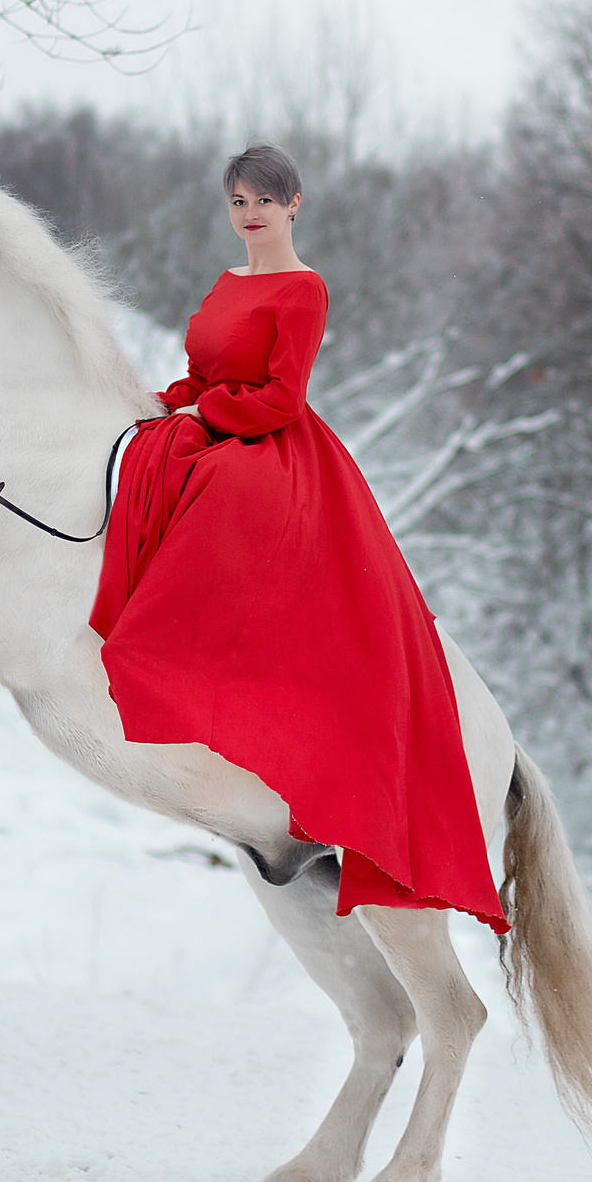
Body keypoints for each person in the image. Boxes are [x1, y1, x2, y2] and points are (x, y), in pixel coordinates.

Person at [89, 145, 505, 932]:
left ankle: (185, 657)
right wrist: (162, 402)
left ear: (295, 206)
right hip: (216, 422)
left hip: (269, 447)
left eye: (265, 202)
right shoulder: (227, 284)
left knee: (217, 485)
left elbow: (279, 398)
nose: (250, 214)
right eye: (238, 201)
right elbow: (204, 376)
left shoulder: (304, 289)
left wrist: (201, 418)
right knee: (146, 455)